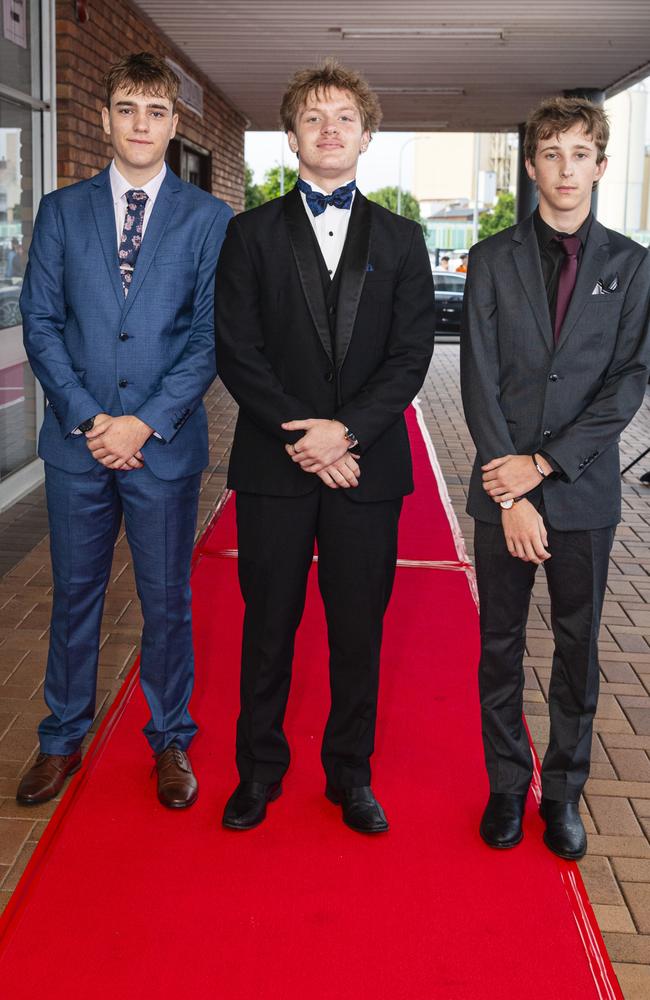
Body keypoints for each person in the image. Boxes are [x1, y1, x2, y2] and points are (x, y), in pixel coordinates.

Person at [215, 58, 435, 834]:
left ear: (367, 135)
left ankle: (351, 776)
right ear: (292, 136)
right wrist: (305, 436)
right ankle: (258, 773)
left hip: (366, 470)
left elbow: (411, 356)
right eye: (314, 117)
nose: (330, 129)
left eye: (344, 117)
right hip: (275, 468)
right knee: (266, 627)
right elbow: (238, 351)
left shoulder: (405, 241)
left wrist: (347, 431)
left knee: (357, 632)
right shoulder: (248, 235)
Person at [17, 52, 232, 810]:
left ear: (174, 125)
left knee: (166, 598)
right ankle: (61, 738)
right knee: (74, 595)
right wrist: (88, 417)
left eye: (156, 112)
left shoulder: (210, 221)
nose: (141, 124)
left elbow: (210, 337)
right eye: (128, 109)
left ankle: (170, 738)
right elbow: (40, 326)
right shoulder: (61, 211)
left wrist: (142, 423)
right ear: (106, 118)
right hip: (78, 446)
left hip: (162, 447)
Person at [461, 96, 650, 860]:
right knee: (500, 644)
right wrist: (510, 489)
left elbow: (627, 384)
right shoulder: (490, 259)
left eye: (581, 154)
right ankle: (508, 784)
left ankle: (562, 792)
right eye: (552, 154)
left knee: (576, 649)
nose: (566, 169)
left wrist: (542, 467)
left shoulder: (632, 267)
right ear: (531, 166)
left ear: (600, 167)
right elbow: (476, 378)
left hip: (582, 494)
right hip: (500, 489)